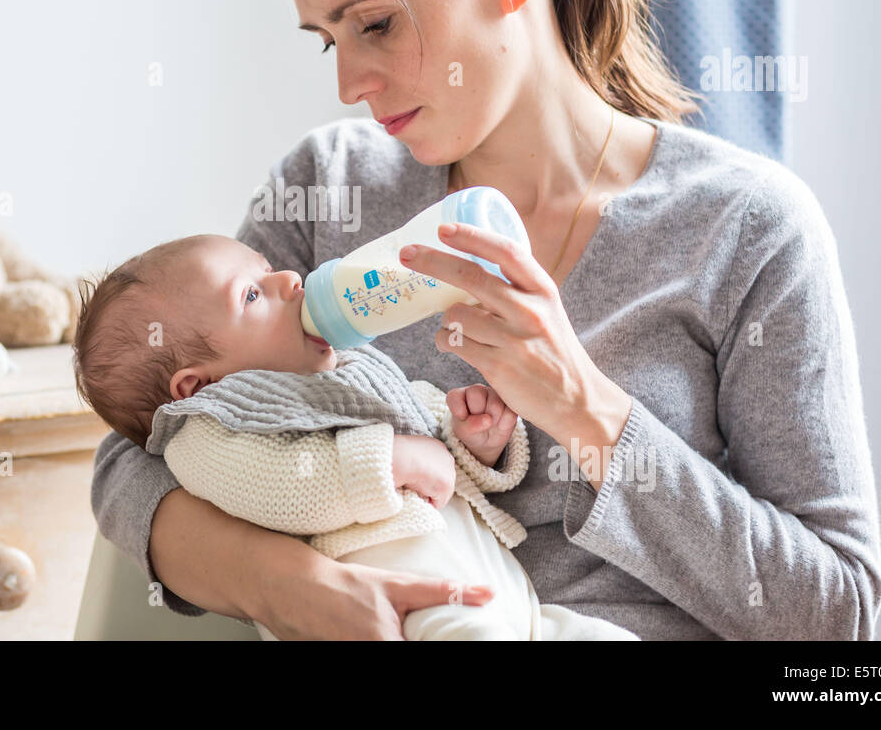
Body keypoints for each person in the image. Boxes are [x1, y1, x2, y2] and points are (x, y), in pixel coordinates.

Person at [91, 0, 881, 640]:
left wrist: (587, 410)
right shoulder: (330, 186)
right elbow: (138, 454)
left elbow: (833, 613)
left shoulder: (744, 227)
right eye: (330, 38)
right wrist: (288, 586)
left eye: (376, 24)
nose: (349, 84)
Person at [74, 232, 641, 640]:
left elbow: (423, 432)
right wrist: (388, 460)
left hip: (508, 597)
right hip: (399, 605)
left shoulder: (345, 372)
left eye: (267, 267)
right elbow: (278, 487)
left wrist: (473, 442)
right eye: (250, 294)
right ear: (195, 385)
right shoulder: (208, 429)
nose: (289, 279)